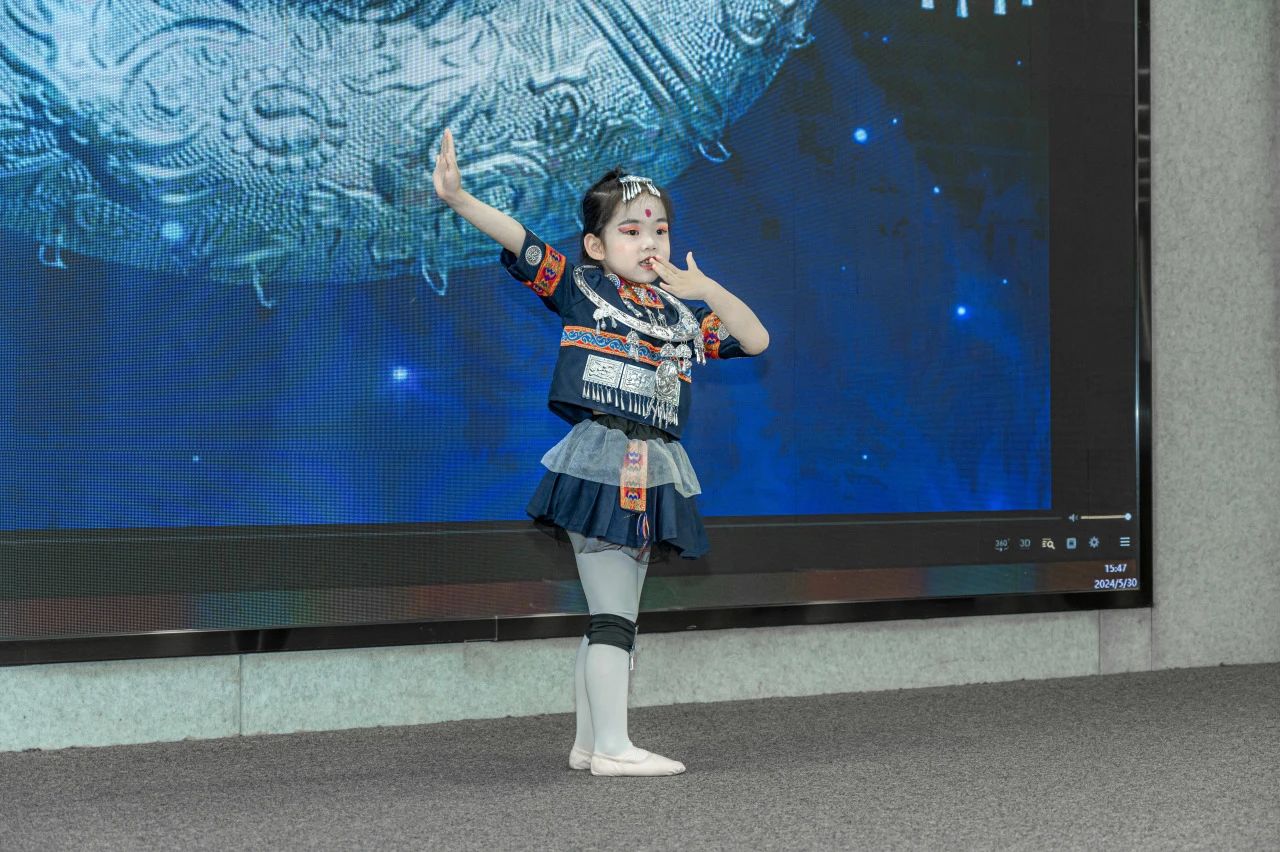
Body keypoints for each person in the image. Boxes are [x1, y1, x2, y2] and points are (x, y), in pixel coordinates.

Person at [432, 128, 769, 777]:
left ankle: (592, 745)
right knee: (614, 615)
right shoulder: (582, 289)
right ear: (596, 244)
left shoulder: (679, 317)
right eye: (631, 231)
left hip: (650, 463)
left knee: (612, 616)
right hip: (604, 462)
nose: (650, 243)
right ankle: (613, 747)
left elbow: (755, 340)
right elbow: (524, 243)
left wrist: (704, 288)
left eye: (659, 230)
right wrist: (461, 199)